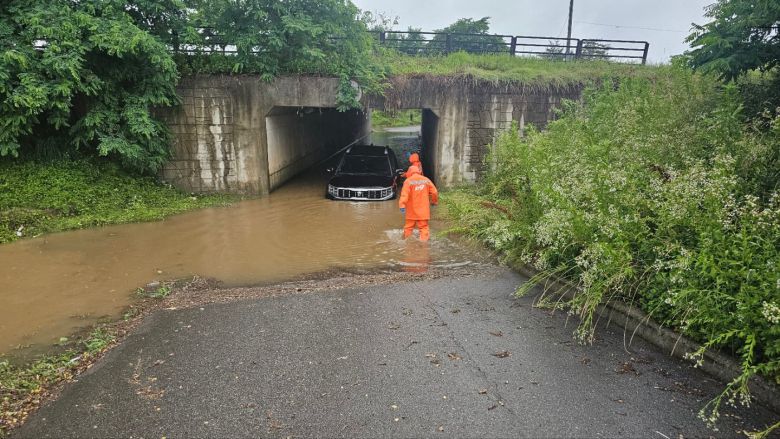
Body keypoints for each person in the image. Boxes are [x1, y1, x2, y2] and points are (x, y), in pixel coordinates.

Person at [399, 165, 438, 242]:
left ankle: (407, 242)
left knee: (408, 228)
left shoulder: (408, 181)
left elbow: (404, 195)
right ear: (419, 171)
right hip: (423, 211)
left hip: (411, 211)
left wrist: (402, 205)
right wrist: (434, 201)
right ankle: (424, 244)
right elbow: (434, 192)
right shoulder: (426, 180)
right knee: (423, 227)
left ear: (409, 172)